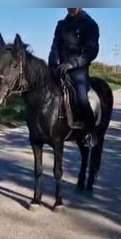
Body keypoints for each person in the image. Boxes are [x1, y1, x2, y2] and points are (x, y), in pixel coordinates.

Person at [48, 8, 99, 146]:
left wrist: (73, 63)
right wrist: (53, 63)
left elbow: (92, 51)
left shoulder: (90, 24)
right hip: (60, 67)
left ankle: (90, 133)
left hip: (78, 69)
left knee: (82, 98)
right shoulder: (61, 25)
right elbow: (54, 46)